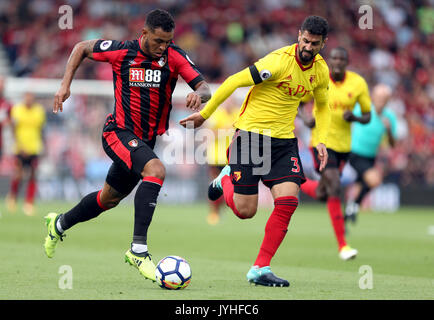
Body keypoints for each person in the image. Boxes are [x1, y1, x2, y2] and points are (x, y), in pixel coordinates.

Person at [43, 9, 211, 283]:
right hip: (117, 132)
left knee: (108, 199)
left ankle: (58, 223)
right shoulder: (121, 52)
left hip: (145, 140)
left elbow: (206, 87)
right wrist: (65, 85)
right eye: (158, 41)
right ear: (143, 33)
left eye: (167, 41)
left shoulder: (174, 56)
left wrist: (198, 94)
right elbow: (81, 48)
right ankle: (138, 250)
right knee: (156, 169)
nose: (163, 47)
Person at [180, 16, 331, 287]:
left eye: (315, 43)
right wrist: (205, 114)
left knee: (288, 201)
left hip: (284, 143)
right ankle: (223, 179)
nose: (308, 47)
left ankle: (260, 268)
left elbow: (322, 106)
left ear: (323, 43)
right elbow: (233, 81)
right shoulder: (276, 62)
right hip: (251, 137)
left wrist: (321, 139)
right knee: (245, 211)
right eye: (305, 41)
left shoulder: (320, 71)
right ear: (299, 35)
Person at [298, 47, 371, 260]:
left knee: (325, 192)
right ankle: (343, 245)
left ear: (347, 62)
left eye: (341, 59)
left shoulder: (358, 83)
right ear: (329, 61)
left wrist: (355, 118)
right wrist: (305, 120)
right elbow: (300, 105)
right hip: (320, 143)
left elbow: (367, 115)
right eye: (334, 59)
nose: (337, 62)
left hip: (343, 147)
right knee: (335, 185)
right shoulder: (318, 78)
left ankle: (297, 182)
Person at [344, 84, 397, 224]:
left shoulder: (389, 117)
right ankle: (353, 205)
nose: (381, 100)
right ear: (373, 96)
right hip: (355, 152)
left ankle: (351, 209)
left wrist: (389, 130)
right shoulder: (363, 109)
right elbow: (347, 120)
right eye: (379, 97)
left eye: (384, 98)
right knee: (374, 180)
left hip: (371, 156)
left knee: (364, 183)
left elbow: (393, 144)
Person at [6, 92, 46, 216]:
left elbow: (41, 130)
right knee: (18, 174)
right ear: (24, 98)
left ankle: (29, 202)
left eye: (31, 97)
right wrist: (19, 144)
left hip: (34, 148)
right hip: (20, 148)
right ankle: (12, 197)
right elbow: (13, 128)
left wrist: (42, 146)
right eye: (27, 97)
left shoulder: (39, 111)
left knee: (33, 175)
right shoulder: (17, 110)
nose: (29, 99)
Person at [205, 100, 239, 225]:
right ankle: (213, 213)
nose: (230, 102)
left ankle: (222, 209)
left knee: (230, 186)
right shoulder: (217, 114)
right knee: (214, 185)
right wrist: (226, 130)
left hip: (232, 157)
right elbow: (208, 133)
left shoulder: (238, 113)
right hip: (215, 156)